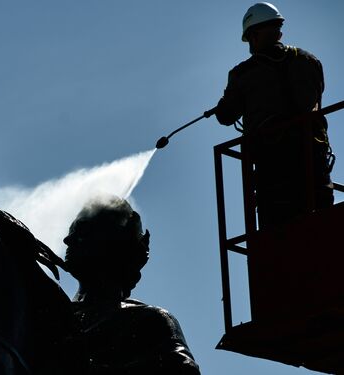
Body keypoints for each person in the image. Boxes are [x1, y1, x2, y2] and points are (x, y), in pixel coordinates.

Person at [214, 2, 334, 229]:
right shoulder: (309, 61)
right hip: (315, 167)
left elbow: (227, 116)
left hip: (275, 174)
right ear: (279, 30)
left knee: (280, 239)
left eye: (250, 38)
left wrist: (222, 107)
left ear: (255, 34)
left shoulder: (243, 74)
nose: (250, 45)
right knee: (324, 230)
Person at [63, 195, 200, 375]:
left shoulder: (148, 320)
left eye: (82, 230)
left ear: (112, 246)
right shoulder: (51, 316)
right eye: (72, 230)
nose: (68, 239)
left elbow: (181, 370)